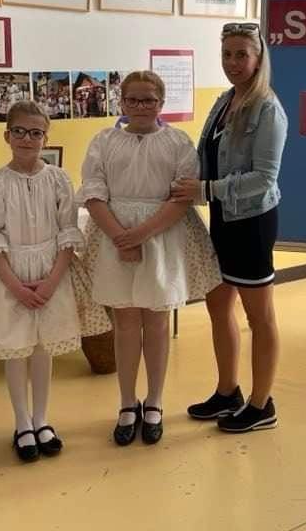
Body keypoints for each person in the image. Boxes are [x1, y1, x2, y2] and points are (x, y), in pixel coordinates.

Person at [79, 71, 221, 446]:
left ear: (161, 103)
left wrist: (141, 234)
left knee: (157, 322)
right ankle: (127, 403)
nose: (141, 106)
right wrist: (119, 236)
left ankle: (154, 401)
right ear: (122, 102)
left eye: (149, 100)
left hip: (161, 237)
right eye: (133, 100)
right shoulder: (104, 141)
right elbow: (93, 192)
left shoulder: (177, 142)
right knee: (125, 323)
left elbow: (181, 197)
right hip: (114, 237)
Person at [172, 22, 287, 433]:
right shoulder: (225, 101)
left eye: (242, 54)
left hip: (252, 222)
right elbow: (206, 156)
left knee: (260, 317)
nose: (233, 62)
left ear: (258, 58)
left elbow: (264, 179)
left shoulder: (268, 109)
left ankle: (262, 404)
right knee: (218, 305)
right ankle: (227, 392)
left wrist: (206, 189)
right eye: (227, 54)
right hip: (222, 218)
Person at [0, 101, 110, 462]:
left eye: (36, 133)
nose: (27, 139)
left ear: (45, 138)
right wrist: (15, 286)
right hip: (10, 276)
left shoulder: (58, 178)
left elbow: (68, 232)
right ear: (7, 135)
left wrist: (52, 281)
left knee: (42, 348)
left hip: (53, 272)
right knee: (17, 348)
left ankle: (41, 419)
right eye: (19, 131)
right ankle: (21, 422)